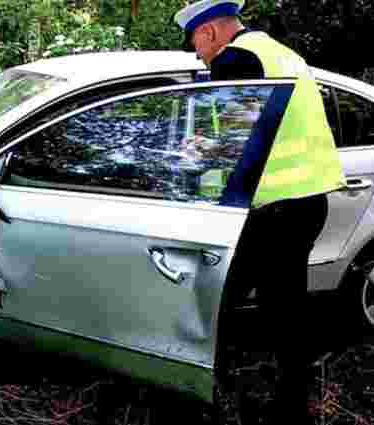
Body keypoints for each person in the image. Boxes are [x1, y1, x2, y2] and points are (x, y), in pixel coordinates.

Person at [173, 0, 346, 423]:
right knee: (283, 306)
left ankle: (204, 389)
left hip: (275, 208)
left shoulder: (236, 58)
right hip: (308, 199)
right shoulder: (282, 53)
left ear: (210, 32)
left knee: (219, 297)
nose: (197, 53)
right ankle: (290, 400)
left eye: (195, 41)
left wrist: (196, 152)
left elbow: (239, 135)